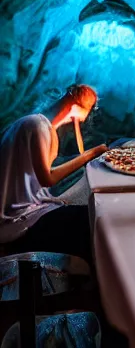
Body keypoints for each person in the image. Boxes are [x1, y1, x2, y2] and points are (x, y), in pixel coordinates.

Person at [0, 84, 107, 263]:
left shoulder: (42, 127)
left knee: (87, 214)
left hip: (27, 212)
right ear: (76, 108)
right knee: (88, 220)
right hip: (15, 222)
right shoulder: (37, 125)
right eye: (90, 109)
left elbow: (35, 180)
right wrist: (92, 154)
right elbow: (47, 178)